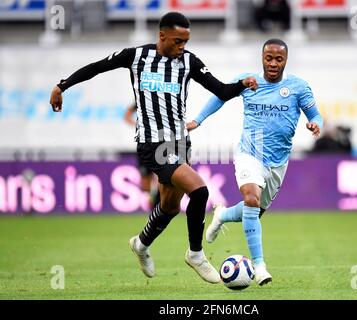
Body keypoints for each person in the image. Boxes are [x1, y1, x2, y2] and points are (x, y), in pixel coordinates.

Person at [49, 12, 258, 284]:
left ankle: (141, 244)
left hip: (180, 142)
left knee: (170, 206)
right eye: (178, 41)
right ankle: (196, 253)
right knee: (200, 191)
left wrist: (241, 86)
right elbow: (96, 67)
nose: (182, 47)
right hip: (152, 144)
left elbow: (220, 90)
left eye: (186, 41)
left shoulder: (188, 62)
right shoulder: (135, 57)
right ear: (162, 36)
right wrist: (61, 86)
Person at [187, 39, 323, 285]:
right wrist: (198, 120)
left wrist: (316, 124)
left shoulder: (298, 87)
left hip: (278, 161)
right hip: (250, 151)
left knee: (254, 211)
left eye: (278, 59)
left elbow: (315, 114)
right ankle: (259, 266)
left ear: (285, 60)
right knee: (251, 198)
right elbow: (220, 96)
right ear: (262, 58)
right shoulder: (248, 81)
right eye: (268, 58)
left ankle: (223, 215)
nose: (272, 63)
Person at [124, 103, 160, 209]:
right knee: (145, 183)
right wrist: (138, 126)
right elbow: (127, 115)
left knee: (162, 176)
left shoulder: (162, 99)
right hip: (144, 145)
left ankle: (157, 203)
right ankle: (152, 198)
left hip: (160, 144)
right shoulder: (141, 98)